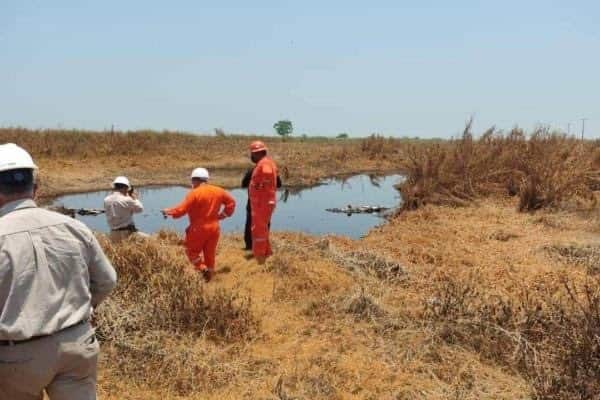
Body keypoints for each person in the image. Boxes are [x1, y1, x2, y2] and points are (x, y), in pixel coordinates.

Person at [0, 143, 117, 400]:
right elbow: (107, 280)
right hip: (77, 342)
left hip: (15, 355)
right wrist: (84, 310)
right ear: (35, 189)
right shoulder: (74, 227)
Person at [162, 168, 235, 282]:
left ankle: (202, 269)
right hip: (214, 227)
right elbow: (231, 203)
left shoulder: (194, 193)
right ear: (206, 179)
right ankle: (209, 277)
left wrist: (168, 211)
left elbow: (181, 210)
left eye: (192, 181)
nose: (192, 184)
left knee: (191, 252)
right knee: (209, 254)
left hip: (198, 229)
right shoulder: (219, 190)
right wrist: (223, 215)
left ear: (195, 180)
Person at [248, 141, 278, 263]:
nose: (251, 156)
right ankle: (267, 253)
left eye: (252, 154)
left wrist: (261, 186)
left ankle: (260, 258)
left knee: (258, 230)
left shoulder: (264, 163)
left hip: (262, 203)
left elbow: (267, 173)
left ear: (257, 153)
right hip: (262, 202)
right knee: (262, 229)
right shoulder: (267, 162)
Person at [241, 167, 282, 251]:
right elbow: (279, 184)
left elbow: (243, 184)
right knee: (265, 224)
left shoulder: (251, 170)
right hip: (266, 202)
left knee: (250, 222)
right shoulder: (272, 171)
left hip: (253, 202)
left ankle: (249, 246)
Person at [103, 176, 145, 243]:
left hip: (113, 234)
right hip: (127, 234)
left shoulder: (106, 200)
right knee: (150, 240)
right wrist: (134, 198)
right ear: (125, 187)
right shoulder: (127, 199)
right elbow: (140, 209)